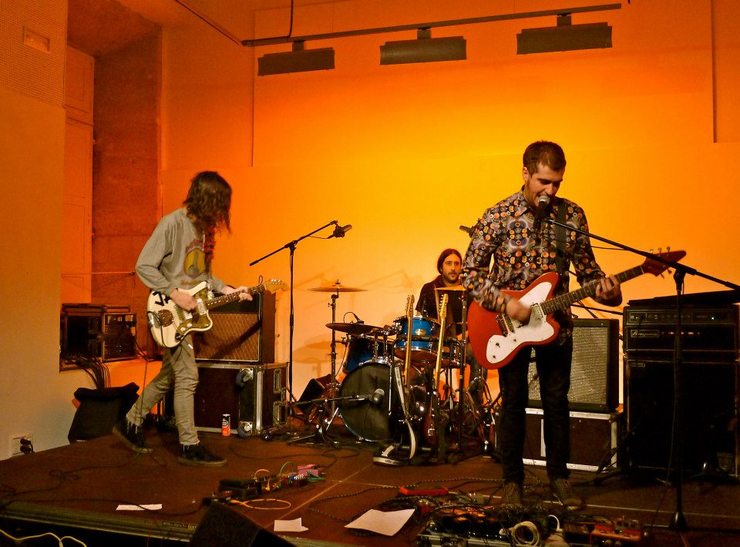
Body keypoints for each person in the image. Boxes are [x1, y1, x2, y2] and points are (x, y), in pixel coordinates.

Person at [461, 141, 622, 509]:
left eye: (557, 184)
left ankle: (559, 478)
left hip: (556, 324)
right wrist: (505, 303)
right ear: (525, 173)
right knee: (513, 404)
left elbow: (589, 273)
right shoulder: (498, 215)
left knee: (557, 403)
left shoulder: (572, 217)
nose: (550, 191)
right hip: (505, 326)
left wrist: (609, 292)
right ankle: (512, 482)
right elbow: (470, 274)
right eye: (544, 182)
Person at [114, 171, 252, 466]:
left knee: (170, 375)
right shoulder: (173, 224)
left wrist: (227, 288)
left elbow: (201, 275)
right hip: (168, 309)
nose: (221, 212)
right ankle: (189, 445)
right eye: (219, 204)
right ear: (206, 199)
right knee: (188, 376)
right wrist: (174, 293)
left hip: (188, 314)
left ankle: (130, 421)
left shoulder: (203, 231)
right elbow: (144, 266)